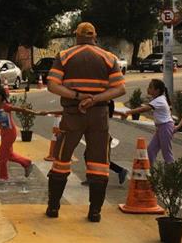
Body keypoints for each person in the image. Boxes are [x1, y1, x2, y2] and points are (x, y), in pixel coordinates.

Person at [44, 22, 126, 222]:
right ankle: (95, 212)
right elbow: (120, 89)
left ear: (77, 36)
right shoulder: (109, 58)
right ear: (94, 36)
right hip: (99, 115)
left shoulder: (64, 56)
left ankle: (54, 208)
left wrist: (78, 95)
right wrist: (95, 99)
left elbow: (52, 85)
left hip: (72, 114)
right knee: (99, 163)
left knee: (61, 159)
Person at [42, 101, 129, 186]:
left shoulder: (91, 108)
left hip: (99, 136)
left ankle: (117, 171)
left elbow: (68, 112)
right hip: (101, 135)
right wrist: (121, 113)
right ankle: (95, 177)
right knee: (93, 156)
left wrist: (49, 112)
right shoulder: (101, 108)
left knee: (97, 158)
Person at [117, 79, 175, 165]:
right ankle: (148, 171)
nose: (148, 89)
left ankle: (172, 173)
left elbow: (144, 109)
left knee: (166, 153)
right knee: (151, 150)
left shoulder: (159, 100)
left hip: (165, 127)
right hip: (161, 127)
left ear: (157, 90)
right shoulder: (159, 99)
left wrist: (128, 112)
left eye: (150, 87)